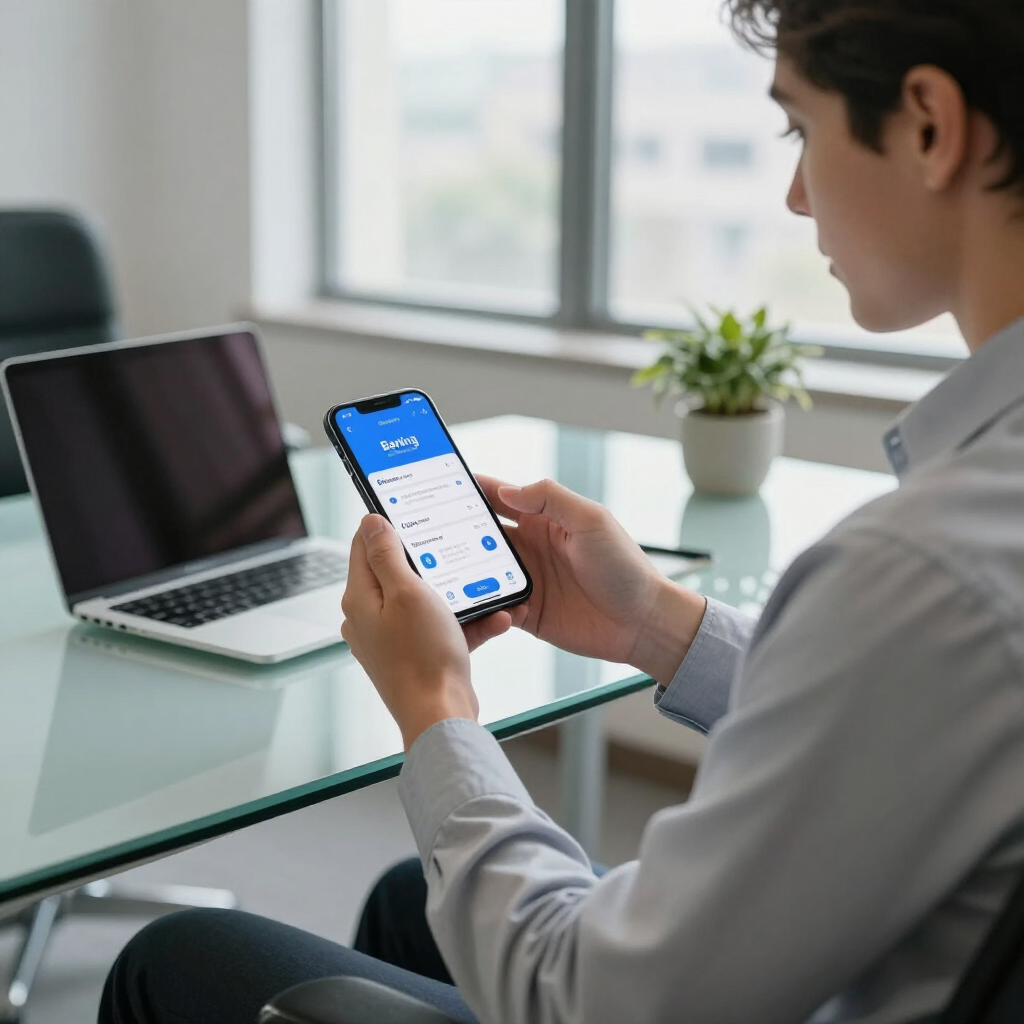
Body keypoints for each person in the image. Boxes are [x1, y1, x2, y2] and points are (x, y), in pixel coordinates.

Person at [100, 0, 1024, 1021]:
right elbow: (889, 720)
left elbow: (580, 994)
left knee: (176, 959)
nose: (796, 194)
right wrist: (654, 623)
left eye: (799, 128)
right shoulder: (964, 546)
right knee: (414, 897)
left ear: (929, 126)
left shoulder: (919, 571)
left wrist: (434, 707)